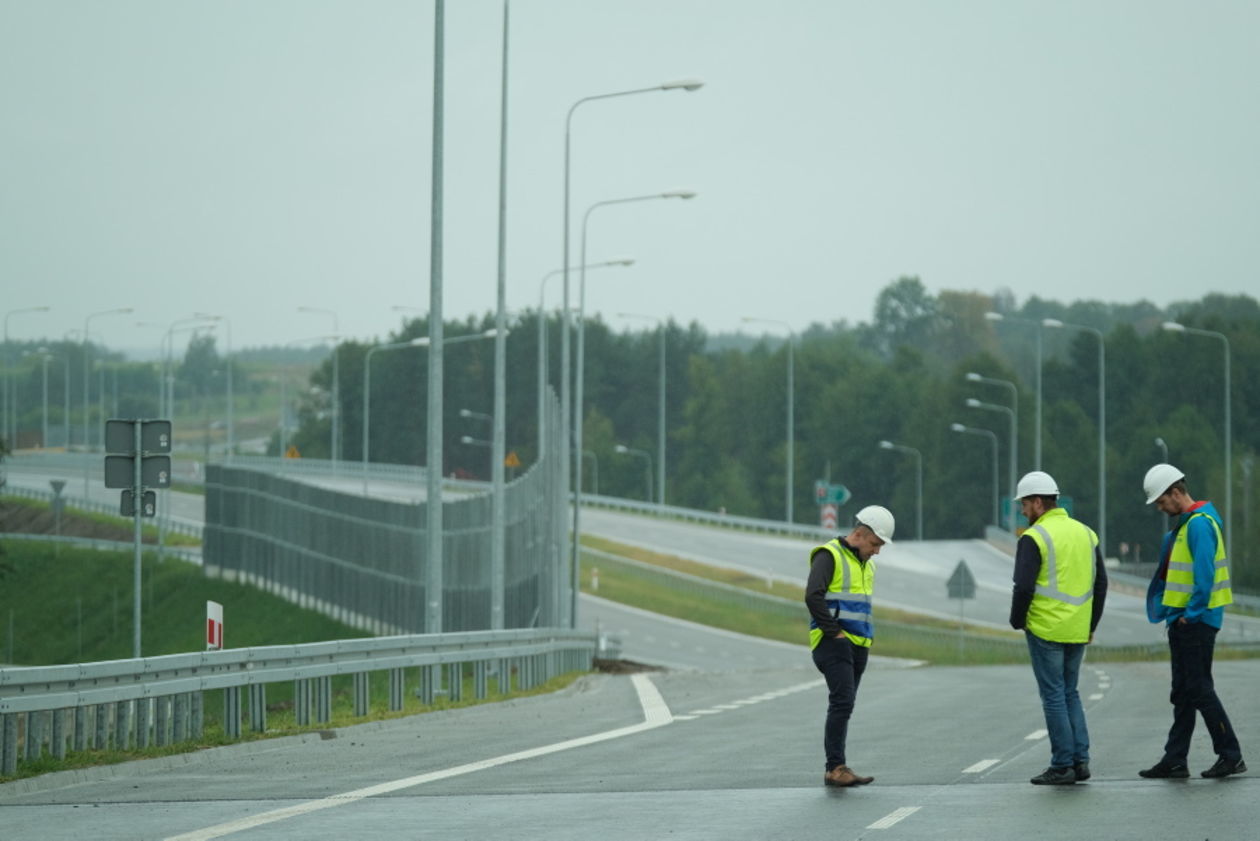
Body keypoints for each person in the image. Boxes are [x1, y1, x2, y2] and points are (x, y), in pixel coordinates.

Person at [1138, 463, 1245, 779]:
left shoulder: (1199, 525)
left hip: (1196, 622)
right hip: (1184, 620)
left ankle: (1230, 754)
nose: (1160, 508)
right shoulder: (1186, 527)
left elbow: (1204, 577)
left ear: (1175, 492)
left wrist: (1190, 616)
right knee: (1184, 691)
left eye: (1161, 501)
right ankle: (1175, 759)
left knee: (1199, 689)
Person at [1009, 471, 1108, 786]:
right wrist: (1091, 624)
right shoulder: (1086, 533)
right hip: (1078, 628)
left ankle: (1062, 764)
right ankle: (1080, 761)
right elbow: (1101, 583)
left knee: (1053, 696)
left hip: (1045, 628)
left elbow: (1023, 586)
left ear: (1038, 502)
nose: (1022, 511)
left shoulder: (1034, 537)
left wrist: (1017, 620)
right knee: (1070, 693)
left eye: (1024, 505)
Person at [805, 504, 894, 787]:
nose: (877, 550)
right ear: (859, 533)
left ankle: (837, 766)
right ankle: (835, 768)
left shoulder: (867, 564)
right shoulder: (829, 555)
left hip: (858, 644)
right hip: (833, 643)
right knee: (841, 701)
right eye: (875, 543)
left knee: (846, 704)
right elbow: (813, 597)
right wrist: (836, 635)